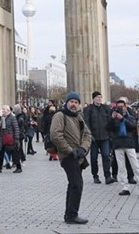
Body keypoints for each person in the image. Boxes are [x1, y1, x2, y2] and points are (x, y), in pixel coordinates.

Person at [50, 91, 93, 225]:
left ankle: (69, 214)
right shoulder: (60, 115)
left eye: (76, 102)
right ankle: (72, 215)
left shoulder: (79, 117)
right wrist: (70, 150)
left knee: (73, 185)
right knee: (77, 184)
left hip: (78, 155)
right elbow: (55, 135)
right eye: (71, 102)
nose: (73, 104)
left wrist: (83, 149)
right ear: (66, 103)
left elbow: (87, 135)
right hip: (67, 156)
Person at [108, 97, 139, 197]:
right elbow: (108, 128)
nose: (120, 109)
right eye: (118, 107)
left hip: (129, 143)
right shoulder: (113, 116)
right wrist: (112, 119)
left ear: (125, 107)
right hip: (118, 144)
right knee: (121, 167)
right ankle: (125, 187)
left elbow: (133, 126)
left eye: (122, 107)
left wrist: (123, 119)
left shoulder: (130, 115)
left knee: (135, 165)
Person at [82, 91, 114, 185]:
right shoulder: (88, 109)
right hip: (94, 138)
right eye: (97, 97)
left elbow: (110, 122)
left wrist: (110, 134)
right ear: (93, 98)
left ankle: (108, 176)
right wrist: (89, 135)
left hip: (105, 137)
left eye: (100, 97)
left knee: (106, 156)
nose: (99, 99)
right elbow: (86, 123)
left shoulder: (106, 108)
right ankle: (95, 176)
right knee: (93, 158)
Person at [0, 105, 21, 173]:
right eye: (2, 109)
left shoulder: (12, 117)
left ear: (8, 110)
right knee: (1, 152)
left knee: (14, 153)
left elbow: (16, 128)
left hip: (11, 138)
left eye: (4, 109)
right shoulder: (3, 117)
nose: (3, 111)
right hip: (3, 138)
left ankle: (18, 167)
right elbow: (2, 127)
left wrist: (16, 139)